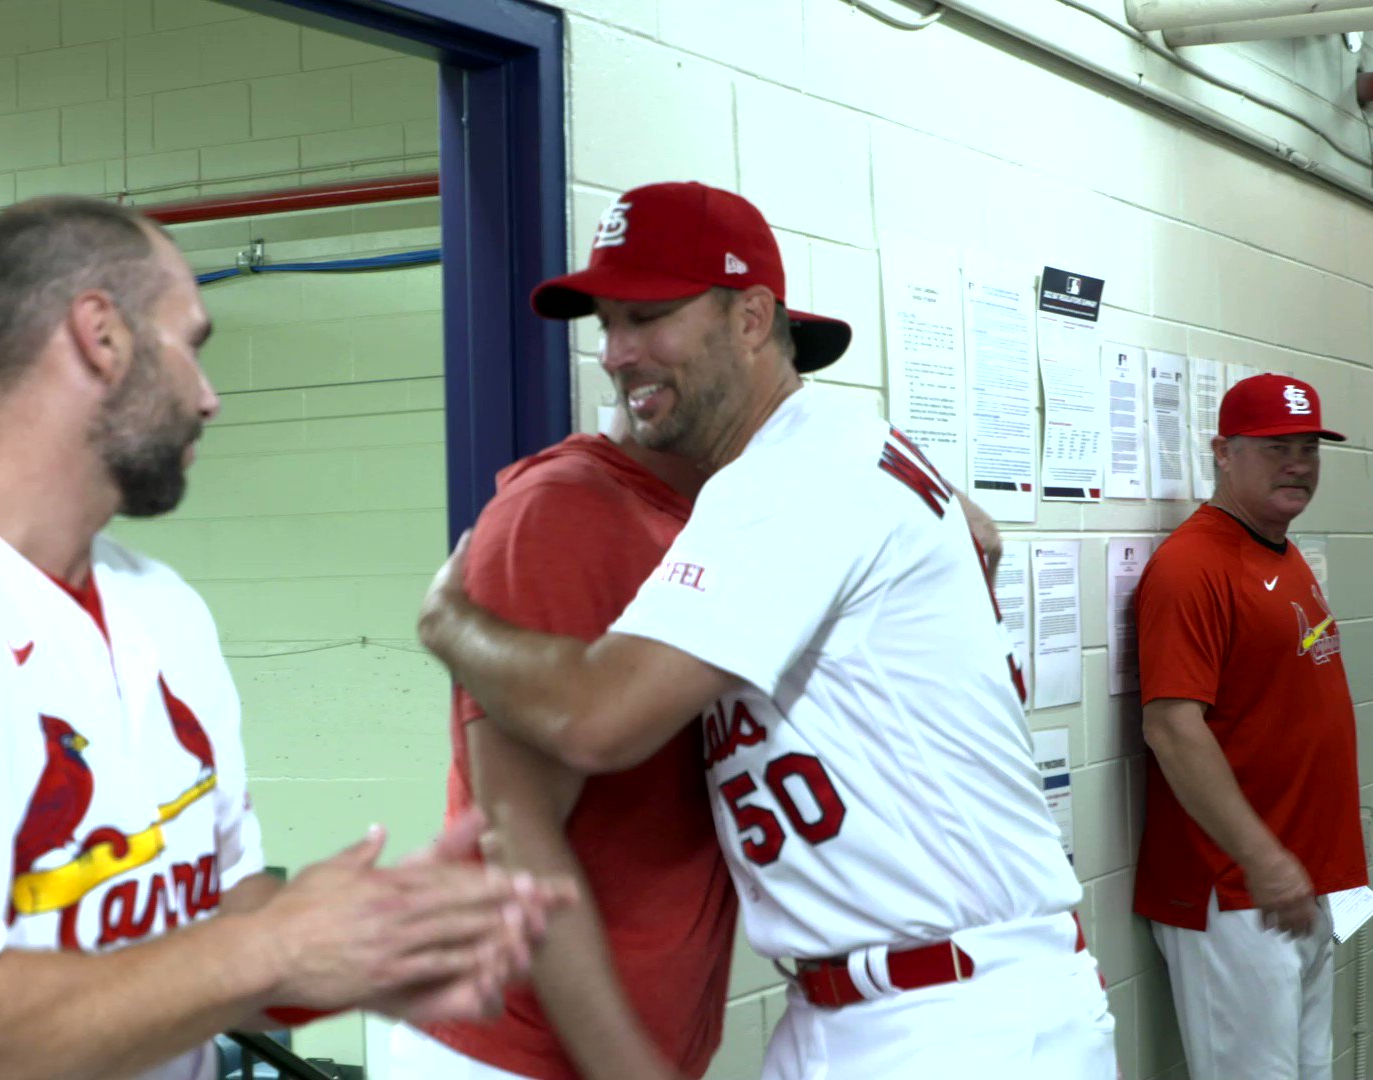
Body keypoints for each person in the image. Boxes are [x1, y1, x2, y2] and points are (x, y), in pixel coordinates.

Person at [416, 181, 1115, 1078]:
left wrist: (448, 624)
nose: (617, 353)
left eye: (649, 317)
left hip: (960, 1018)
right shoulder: (809, 462)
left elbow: (599, 716)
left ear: (750, 318)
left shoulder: (796, 473)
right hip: (854, 1006)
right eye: (607, 324)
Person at [0, 196, 573, 1080]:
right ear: (102, 335)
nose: (209, 398)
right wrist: (273, 950)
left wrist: (369, 943)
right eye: (192, 342)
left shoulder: (165, 607)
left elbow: (218, 925)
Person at [390, 410, 740, 1079]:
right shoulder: (561, 506)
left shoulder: (717, 525)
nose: (619, 350)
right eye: (620, 324)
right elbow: (514, 830)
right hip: (509, 1055)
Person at [1132, 373, 1366, 1080]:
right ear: (1223, 453)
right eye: (1275, 448)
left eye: (1308, 448)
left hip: (1299, 881)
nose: (1297, 463)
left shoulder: (1284, 553)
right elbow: (1172, 728)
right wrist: (1262, 859)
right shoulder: (1191, 566)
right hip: (1232, 890)